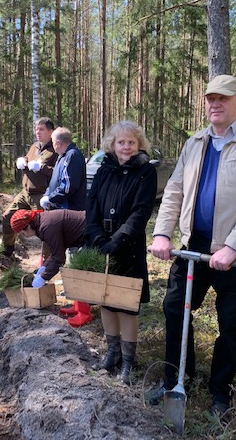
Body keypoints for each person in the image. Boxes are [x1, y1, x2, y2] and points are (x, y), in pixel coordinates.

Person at [148, 75, 236, 417]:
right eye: (210, 98)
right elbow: (174, 191)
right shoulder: (195, 143)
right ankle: (177, 378)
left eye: (223, 98)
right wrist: (162, 233)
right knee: (175, 309)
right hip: (192, 246)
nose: (215, 104)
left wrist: (233, 246)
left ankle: (221, 392)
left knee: (231, 323)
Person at [84, 120, 157, 385]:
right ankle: (112, 353)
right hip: (101, 243)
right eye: (121, 142)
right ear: (112, 145)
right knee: (106, 300)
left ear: (139, 145)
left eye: (131, 142)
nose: (126, 147)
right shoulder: (104, 170)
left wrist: (118, 240)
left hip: (129, 246)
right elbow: (91, 205)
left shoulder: (146, 172)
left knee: (126, 305)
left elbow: (141, 211)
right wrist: (96, 236)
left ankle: (128, 361)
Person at [2, 118, 57, 259]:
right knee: (8, 216)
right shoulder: (35, 146)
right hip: (25, 192)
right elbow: (28, 159)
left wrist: (43, 168)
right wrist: (23, 160)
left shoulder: (55, 149)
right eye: (36, 129)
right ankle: (7, 250)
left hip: (42, 195)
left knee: (44, 227)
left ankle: (47, 260)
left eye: (41, 129)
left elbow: (58, 172)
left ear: (51, 131)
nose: (38, 132)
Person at [9, 208, 85, 299]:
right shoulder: (42, 222)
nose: (25, 235)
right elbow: (56, 251)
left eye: (23, 232)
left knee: (84, 271)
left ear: (28, 226)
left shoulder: (47, 228)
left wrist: (43, 277)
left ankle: (86, 304)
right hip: (84, 232)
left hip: (90, 233)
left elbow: (59, 259)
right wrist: (44, 267)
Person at [40, 127, 86, 211]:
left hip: (69, 208)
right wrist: (47, 195)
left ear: (58, 143)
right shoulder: (62, 156)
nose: (52, 145)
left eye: (53, 142)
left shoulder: (72, 156)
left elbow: (68, 186)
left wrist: (51, 198)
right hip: (59, 207)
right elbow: (55, 180)